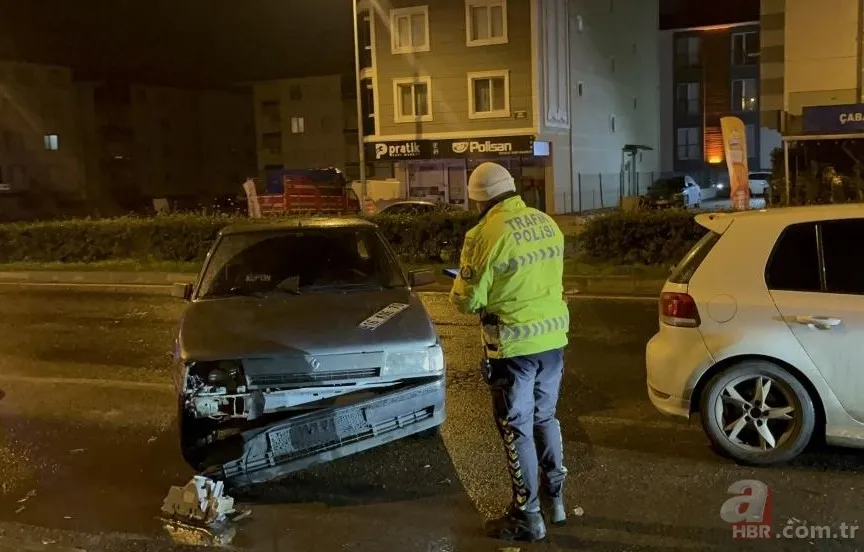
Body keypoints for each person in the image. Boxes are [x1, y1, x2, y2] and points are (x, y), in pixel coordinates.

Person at [450, 162, 569, 542]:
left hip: (513, 347)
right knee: (545, 418)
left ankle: (527, 515)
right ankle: (557, 498)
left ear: (478, 199)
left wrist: (461, 288)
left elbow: (468, 300)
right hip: (553, 340)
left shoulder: (484, 233)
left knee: (515, 427)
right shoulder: (546, 222)